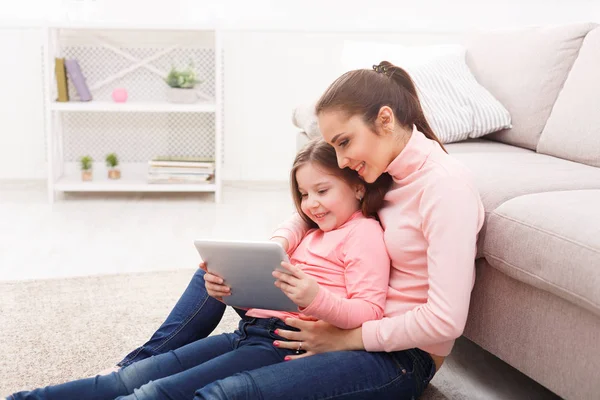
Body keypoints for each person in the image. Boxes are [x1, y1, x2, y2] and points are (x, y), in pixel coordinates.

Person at [8, 139, 393, 400]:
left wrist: (316, 298)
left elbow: (369, 312)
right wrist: (234, 286)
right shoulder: (310, 230)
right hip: (249, 332)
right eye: (304, 194)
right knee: (126, 379)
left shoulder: (363, 234)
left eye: (322, 191)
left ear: (358, 187)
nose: (311, 204)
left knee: (151, 394)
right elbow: (293, 230)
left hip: (283, 345)